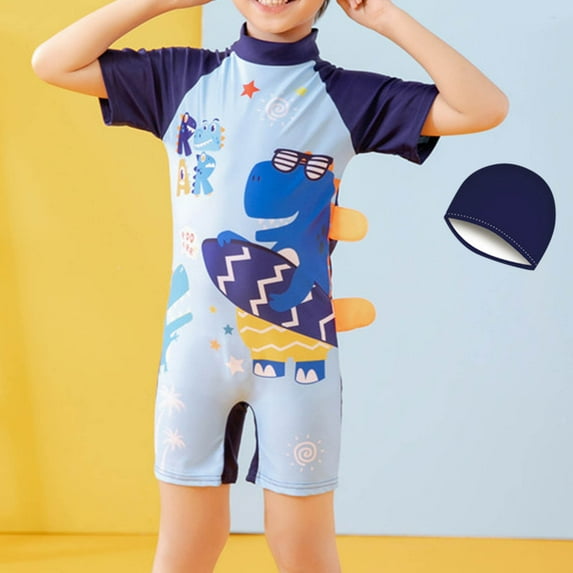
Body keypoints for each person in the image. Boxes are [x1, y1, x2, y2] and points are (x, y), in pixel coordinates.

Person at [32, 0, 508, 571]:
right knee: (186, 545)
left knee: (302, 546)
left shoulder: (347, 96)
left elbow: (482, 107)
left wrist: (383, 16)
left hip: (299, 360)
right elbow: (52, 63)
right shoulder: (179, 78)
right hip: (192, 362)